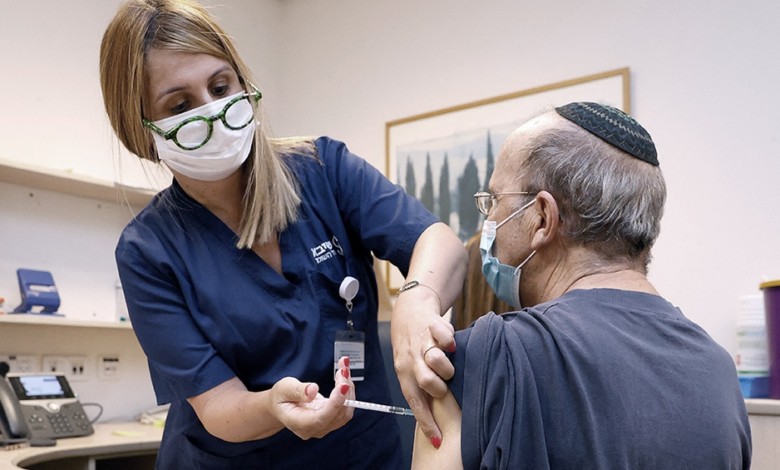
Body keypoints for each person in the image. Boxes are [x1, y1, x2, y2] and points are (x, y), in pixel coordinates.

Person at [99, 0, 467, 467]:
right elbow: (217, 405)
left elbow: (439, 242)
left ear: (243, 84)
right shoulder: (149, 250)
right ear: (140, 131)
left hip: (360, 454)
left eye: (220, 86)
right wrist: (273, 406)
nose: (213, 113)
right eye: (180, 105)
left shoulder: (322, 169)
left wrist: (416, 300)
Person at [412, 102, 752, 469]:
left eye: (495, 200)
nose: (490, 218)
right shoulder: (718, 371)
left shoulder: (481, 359)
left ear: (542, 218)